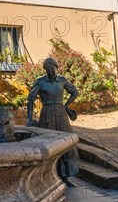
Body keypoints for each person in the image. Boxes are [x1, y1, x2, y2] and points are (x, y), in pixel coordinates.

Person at [27, 57, 79, 185]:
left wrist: (67, 105)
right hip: (47, 113)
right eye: (49, 70)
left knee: (66, 142)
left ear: (57, 68)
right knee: (48, 143)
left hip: (61, 113)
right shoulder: (40, 82)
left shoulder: (62, 80)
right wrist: (29, 119)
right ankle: (48, 175)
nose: (52, 72)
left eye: (53, 69)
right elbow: (30, 99)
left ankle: (65, 176)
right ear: (45, 70)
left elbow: (74, 92)